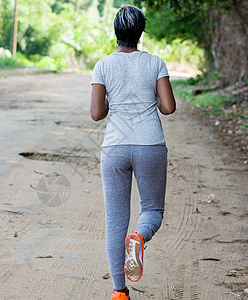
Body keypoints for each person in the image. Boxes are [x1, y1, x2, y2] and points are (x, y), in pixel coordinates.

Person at [90, 6, 176, 300]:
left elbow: (97, 113)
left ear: (116, 33)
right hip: (150, 144)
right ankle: (138, 238)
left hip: (114, 147)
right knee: (152, 210)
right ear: (141, 33)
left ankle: (119, 292)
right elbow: (168, 107)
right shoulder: (155, 63)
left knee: (115, 221)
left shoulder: (103, 65)